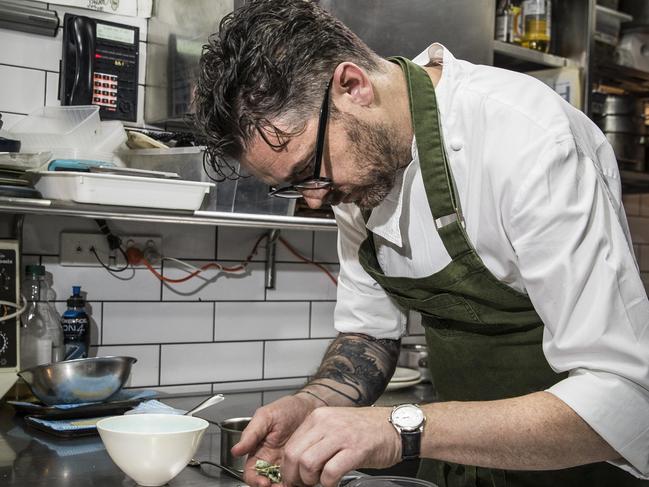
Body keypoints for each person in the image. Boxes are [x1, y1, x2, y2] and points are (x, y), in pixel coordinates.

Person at [194, 1, 649, 486]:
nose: (315, 196)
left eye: (309, 169)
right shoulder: (358, 175)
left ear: (353, 86)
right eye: (294, 185)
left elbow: (623, 397)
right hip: (458, 466)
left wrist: (400, 429)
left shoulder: (529, 141)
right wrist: (311, 405)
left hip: (575, 472)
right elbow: (368, 336)